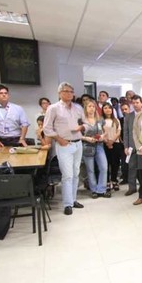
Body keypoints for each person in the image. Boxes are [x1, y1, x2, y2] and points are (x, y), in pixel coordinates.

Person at [43, 82, 86, 215]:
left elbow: (85, 122)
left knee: (76, 173)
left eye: (71, 92)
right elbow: (47, 128)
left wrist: (82, 127)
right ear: (60, 93)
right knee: (67, 175)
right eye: (66, 91)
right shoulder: (53, 108)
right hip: (64, 144)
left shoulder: (78, 107)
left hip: (78, 143)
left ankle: (73, 199)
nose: (69, 94)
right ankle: (67, 204)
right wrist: (59, 139)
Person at [0, 84, 30, 149]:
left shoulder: (18, 108)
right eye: (1, 93)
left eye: (6, 93)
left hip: (16, 139)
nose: (4, 95)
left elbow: (25, 124)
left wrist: (22, 139)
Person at [81, 100, 110, 198]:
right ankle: (93, 190)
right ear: (85, 108)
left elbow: (105, 131)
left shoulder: (100, 119)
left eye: (93, 106)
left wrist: (102, 136)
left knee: (104, 167)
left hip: (99, 145)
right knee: (90, 169)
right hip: (87, 146)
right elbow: (77, 135)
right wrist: (87, 138)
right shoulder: (81, 120)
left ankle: (101, 189)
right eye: (89, 106)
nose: (92, 108)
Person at [123, 95, 142, 196]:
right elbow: (125, 133)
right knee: (131, 167)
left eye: (137, 102)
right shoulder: (128, 116)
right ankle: (132, 187)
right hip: (131, 146)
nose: (135, 105)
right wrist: (126, 146)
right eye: (133, 103)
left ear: (141, 103)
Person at [101, 102, 122, 191]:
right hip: (104, 144)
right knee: (106, 163)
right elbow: (100, 132)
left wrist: (112, 141)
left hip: (115, 143)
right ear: (102, 110)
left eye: (109, 108)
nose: (108, 110)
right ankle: (107, 182)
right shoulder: (101, 120)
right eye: (105, 108)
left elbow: (118, 132)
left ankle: (114, 180)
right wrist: (107, 142)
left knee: (115, 163)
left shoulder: (116, 120)